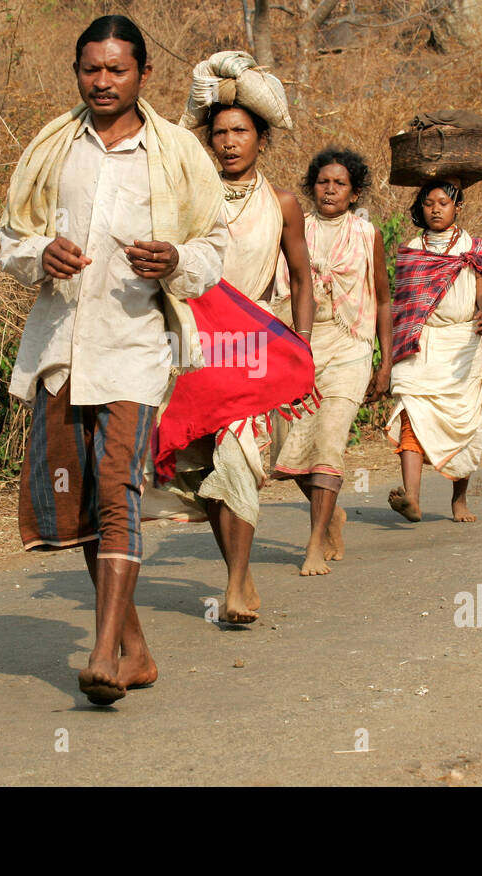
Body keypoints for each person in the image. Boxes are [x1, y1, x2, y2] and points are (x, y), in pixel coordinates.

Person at [0, 15, 228, 706]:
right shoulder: (53, 149)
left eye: (116, 70)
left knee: (118, 483)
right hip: (64, 346)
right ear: (77, 72)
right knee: (86, 504)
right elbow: (11, 237)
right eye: (90, 69)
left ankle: (102, 654)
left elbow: (214, 247)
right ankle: (136, 651)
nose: (102, 81)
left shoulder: (179, 155)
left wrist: (177, 259)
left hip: (135, 347)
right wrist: (40, 254)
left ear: (143, 75)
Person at [160, 52, 314, 623]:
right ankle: (240, 577)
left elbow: (300, 278)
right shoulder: (191, 198)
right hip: (197, 350)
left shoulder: (283, 205)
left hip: (256, 350)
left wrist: (301, 345)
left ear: (262, 139)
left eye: (240, 132)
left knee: (242, 459)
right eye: (219, 132)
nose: (228, 142)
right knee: (205, 475)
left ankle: (233, 585)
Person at [271, 148, 392, 576]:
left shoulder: (366, 235)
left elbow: (383, 297)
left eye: (340, 183)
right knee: (286, 446)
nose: (330, 189)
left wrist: (385, 362)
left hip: (350, 346)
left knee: (330, 439)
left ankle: (313, 545)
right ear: (311, 186)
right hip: (297, 344)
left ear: (354, 192)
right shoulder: (292, 228)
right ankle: (333, 516)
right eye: (323, 182)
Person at [384, 178, 482, 524]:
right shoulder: (414, 248)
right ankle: (412, 498)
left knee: (466, 423)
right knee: (411, 412)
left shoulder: (472, 247)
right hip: (422, 343)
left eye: (444, 202)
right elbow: (406, 305)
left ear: (458, 207)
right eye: (429, 203)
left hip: (463, 343)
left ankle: (459, 499)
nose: (436, 209)